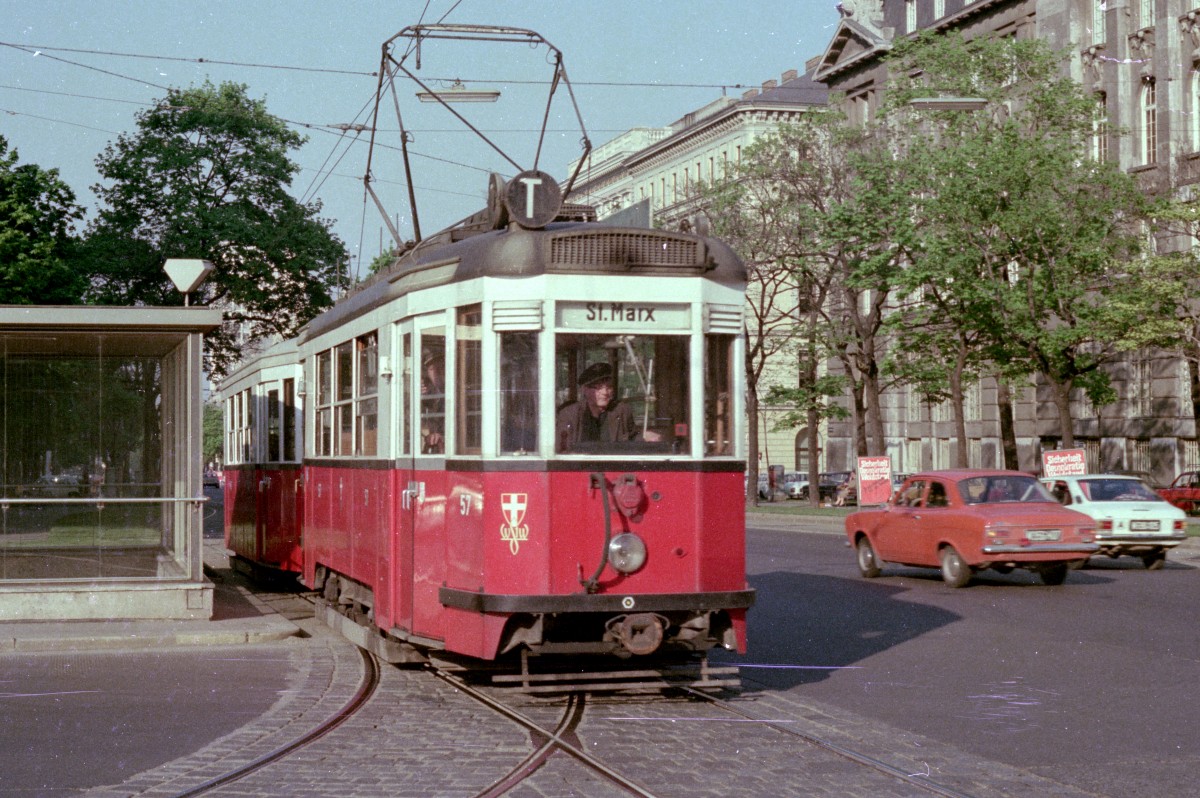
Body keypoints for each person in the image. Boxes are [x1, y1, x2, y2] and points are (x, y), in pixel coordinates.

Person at [556, 363, 660, 452]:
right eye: (598, 388)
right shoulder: (569, 414)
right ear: (585, 390)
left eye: (609, 387)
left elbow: (631, 437)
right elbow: (562, 448)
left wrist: (644, 437)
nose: (605, 393)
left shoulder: (622, 410)